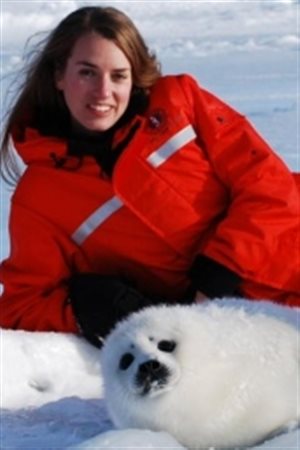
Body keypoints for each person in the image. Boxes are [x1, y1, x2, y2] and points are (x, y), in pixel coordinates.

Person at [0, 6, 299, 347]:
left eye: (118, 76)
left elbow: (270, 185)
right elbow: (21, 305)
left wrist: (220, 271)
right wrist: (91, 307)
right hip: (244, 333)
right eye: (87, 73)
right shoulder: (41, 199)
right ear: (58, 75)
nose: (102, 92)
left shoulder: (179, 104)